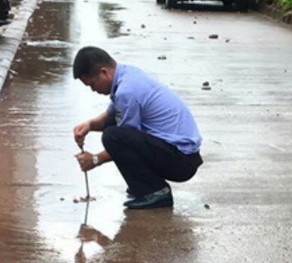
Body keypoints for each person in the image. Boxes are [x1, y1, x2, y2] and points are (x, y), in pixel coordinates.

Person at [72, 46, 203, 210]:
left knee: (112, 136)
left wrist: (95, 160)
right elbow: (112, 115)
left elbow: (123, 140)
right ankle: (143, 185)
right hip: (181, 154)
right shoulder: (127, 75)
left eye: (92, 84)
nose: (93, 90)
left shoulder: (126, 91)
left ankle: (155, 192)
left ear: (104, 72)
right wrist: (90, 125)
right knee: (114, 129)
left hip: (181, 160)